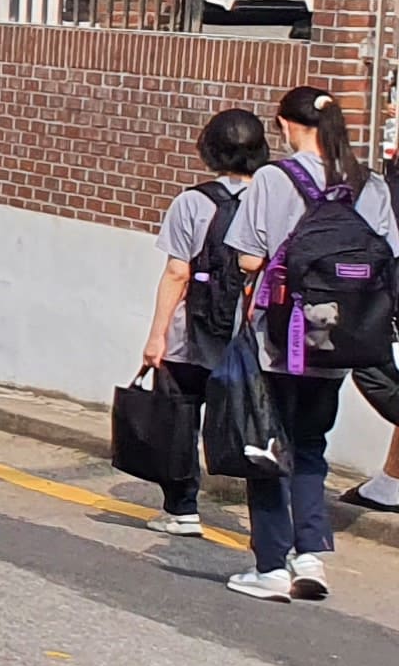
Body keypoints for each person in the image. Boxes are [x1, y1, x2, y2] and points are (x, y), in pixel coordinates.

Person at [222, 85, 397, 602]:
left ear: (285, 125)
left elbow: (249, 257)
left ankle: (272, 567)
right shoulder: (370, 184)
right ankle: (311, 556)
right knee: (312, 447)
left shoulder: (275, 179)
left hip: (279, 339)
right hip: (342, 339)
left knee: (266, 445)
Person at [138, 107, 266, 540]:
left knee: (180, 418)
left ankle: (183, 508)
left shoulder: (192, 201)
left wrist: (156, 336)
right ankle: (265, 520)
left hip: (189, 334)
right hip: (248, 337)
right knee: (250, 424)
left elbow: (178, 272)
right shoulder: (272, 201)